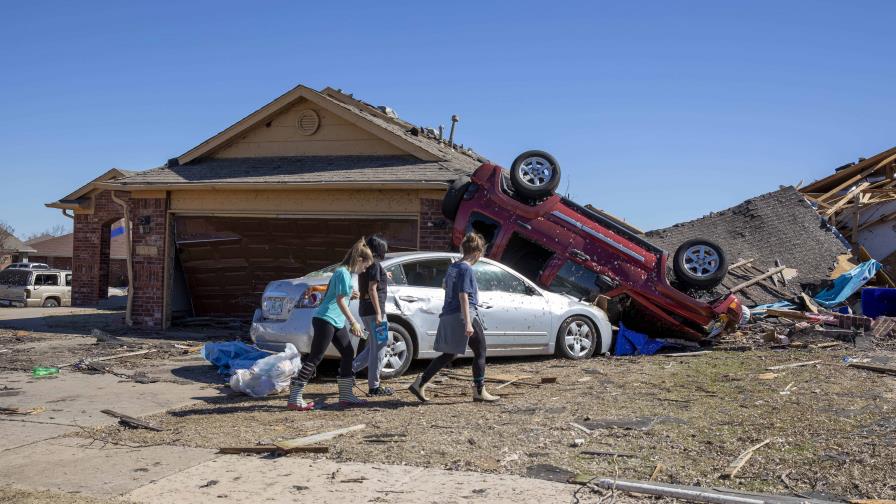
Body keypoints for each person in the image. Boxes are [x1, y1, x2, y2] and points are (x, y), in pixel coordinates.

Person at [409, 232, 499, 403]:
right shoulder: (466, 269)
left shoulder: (454, 267)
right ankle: (479, 390)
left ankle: (420, 382)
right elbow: (463, 296)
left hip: (449, 313)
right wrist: (468, 323)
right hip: (464, 314)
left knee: (449, 354)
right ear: (478, 252)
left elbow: (445, 286)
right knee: (481, 350)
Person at [287, 238, 373, 411]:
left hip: (335, 321)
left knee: (348, 352)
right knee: (315, 357)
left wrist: (351, 294)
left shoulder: (346, 273)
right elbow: (340, 300)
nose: (364, 270)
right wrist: (353, 322)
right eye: (365, 266)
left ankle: (346, 395)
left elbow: (336, 294)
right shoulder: (343, 272)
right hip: (326, 319)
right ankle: (294, 398)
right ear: (358, 260)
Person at [351, 234, 394, 396]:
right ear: (380, 249)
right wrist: (378, 313)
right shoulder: (375, 265)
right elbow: (372, 289)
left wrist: (385, 275)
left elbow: (372, 281)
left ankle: (349, 370)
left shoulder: (367, 264)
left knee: (374, 345)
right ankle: (374, 386)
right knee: (381, 346)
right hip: (375, 312)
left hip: (364, 310)